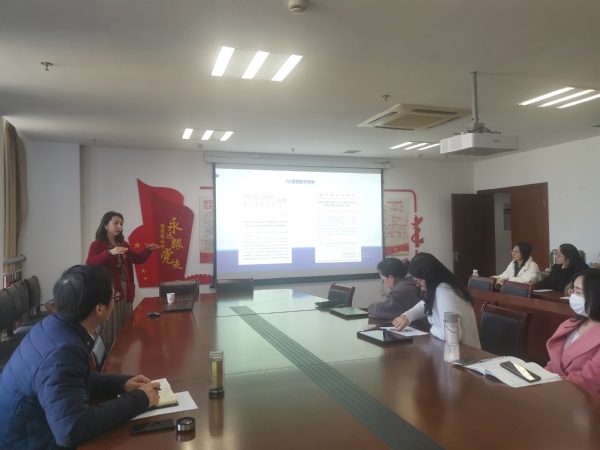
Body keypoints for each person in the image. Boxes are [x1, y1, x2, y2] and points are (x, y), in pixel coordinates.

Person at [0, 265, 160, 449]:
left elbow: (72, 378)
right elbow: (72, 429)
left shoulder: (51, 325)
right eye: (114, 297)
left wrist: (122, 384)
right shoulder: (64, 351)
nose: (115, 301)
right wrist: (141, 399)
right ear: (99, 309)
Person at [86, 211, 159, 346]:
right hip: (109, 290)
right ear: (105, 225)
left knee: (126, 322)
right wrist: (109, 253)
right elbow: (90, 263)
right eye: (115, 223)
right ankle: (109, 352)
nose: (119, 226)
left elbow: (137, 259)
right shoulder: (97, 244)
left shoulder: (123, 244)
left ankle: (123, 349)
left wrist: (147, 250)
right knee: (111, 323)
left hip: (125, 288)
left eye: (121, 224)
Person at [392, 252, 480, 348]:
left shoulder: (445, 291)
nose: (418, 285)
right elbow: (425, 304)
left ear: (429, 277)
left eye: (419, 281)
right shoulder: (439, 286)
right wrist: (407, 317)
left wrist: (432, 328)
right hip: (450, 349)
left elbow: (452, 335)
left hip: (465, 352)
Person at [546, 269, 600, 392]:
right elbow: (554, 363)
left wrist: (549, 385)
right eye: (573, 290)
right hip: (555, 389)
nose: (572, 295)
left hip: (582, 396)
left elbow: (589, 379)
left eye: (578, 292)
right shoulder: (571, 324)